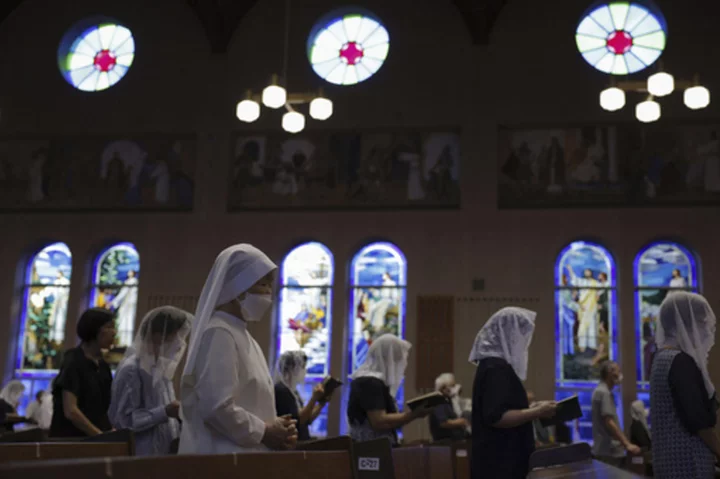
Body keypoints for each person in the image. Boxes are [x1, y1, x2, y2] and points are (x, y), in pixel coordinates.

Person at [178, 244, 297, 454]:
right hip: (224, 459)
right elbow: (216, 407)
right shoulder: (219, 332)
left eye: (270, 285)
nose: (269, 293)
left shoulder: (242, 334)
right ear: (237, 287)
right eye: (263, 284)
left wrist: (276, 426)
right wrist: (265, 431)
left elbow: (249, 401)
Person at [469, 307, 557, 479]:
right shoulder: (495, 368)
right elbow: (497, 417)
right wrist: (537, 412)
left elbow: (505, 407)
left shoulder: (495, 366)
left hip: (503, 461)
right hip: (500, 464)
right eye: (519, 334)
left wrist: (531, 407)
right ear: (507, 334)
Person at [650, 292, 720, 477]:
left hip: (667, 463)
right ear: (685, 324)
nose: (706, 329)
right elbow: (699, 422)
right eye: (701, 322)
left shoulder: (660, 357)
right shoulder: (680, 361)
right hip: (689, 465)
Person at [109, 306, 193, 455]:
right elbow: (123, 422)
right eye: (176, 335)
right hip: (141, 452)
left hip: (163, 451)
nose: (181, 343)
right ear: (157, 336)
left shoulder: (160, 369)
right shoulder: (132, 369)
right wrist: (165, 411)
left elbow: (168, 415)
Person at [347, 334, 432, 444]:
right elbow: (379, 421)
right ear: (389, 359)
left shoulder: (371, 380)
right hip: (370, 449)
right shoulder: (370, 382)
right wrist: (413, 414)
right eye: (398, 360)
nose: (402, 365)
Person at [49, 308, 116, 437]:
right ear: (94, 329)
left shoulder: (103, 366)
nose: (114, 333)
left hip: (95, 440)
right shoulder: (74, 361)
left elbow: (104, 408)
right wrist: (99, 436)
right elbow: (71, 411)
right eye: (109, 327)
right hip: (71, 441)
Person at [274, 350, 333, 442]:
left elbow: (307, 419)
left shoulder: (293, 391)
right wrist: (314, 398)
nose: (305, 371)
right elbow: (298, 421)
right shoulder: (281, 390)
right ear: (292, 368)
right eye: (302, 367)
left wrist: (321, 403)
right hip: (292, 443)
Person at [591, 361, 640, 466]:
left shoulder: (600, 391)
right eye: (618, 371)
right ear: (610, 373)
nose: (620, 374)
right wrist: (627, 444)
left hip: (604, 450)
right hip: (609, 450)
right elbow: (609, 421)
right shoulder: (604, 393)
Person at [429, 373, 469, 442]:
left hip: (455, 441)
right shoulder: (438, 401)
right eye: (453, 386)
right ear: (443, 388)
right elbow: (443, 423)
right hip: (445, 443)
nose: (455, 388)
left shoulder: (448, 400)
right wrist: (462, 422)